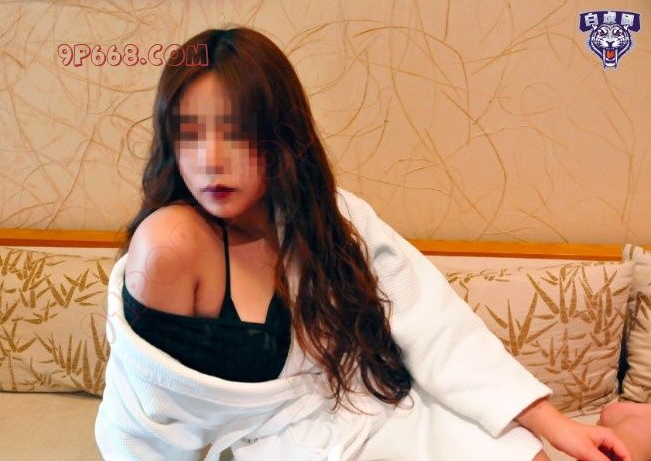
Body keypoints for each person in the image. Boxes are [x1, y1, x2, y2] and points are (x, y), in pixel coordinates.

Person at [94, 25, 632, 461]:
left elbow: (432, 322)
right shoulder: (173, 244)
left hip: (376, 410)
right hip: (283, 448)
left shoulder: (335, 217)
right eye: (190, 133)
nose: (210, 159)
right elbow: (143, 419)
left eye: (236, 132)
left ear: (281, 135)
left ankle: (623, 425)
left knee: (535, 454)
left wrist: (555, 424)